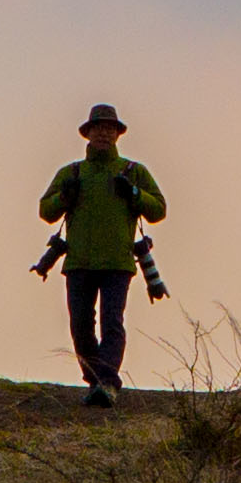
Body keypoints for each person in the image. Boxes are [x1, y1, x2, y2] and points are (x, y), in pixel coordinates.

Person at [36, 104, 166, 404]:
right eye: (99, 128)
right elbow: (46, 211)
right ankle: (97, 380)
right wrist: (64, 196)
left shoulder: (134, 171)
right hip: (78, 262)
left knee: (112, 324)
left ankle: (106, 383)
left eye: (110, 128)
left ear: (118, 134)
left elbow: (159, 210)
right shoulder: (72, 172)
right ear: (88, 133)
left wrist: (134, 193)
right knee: (80, 327)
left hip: (118, 263)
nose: (104, 133)